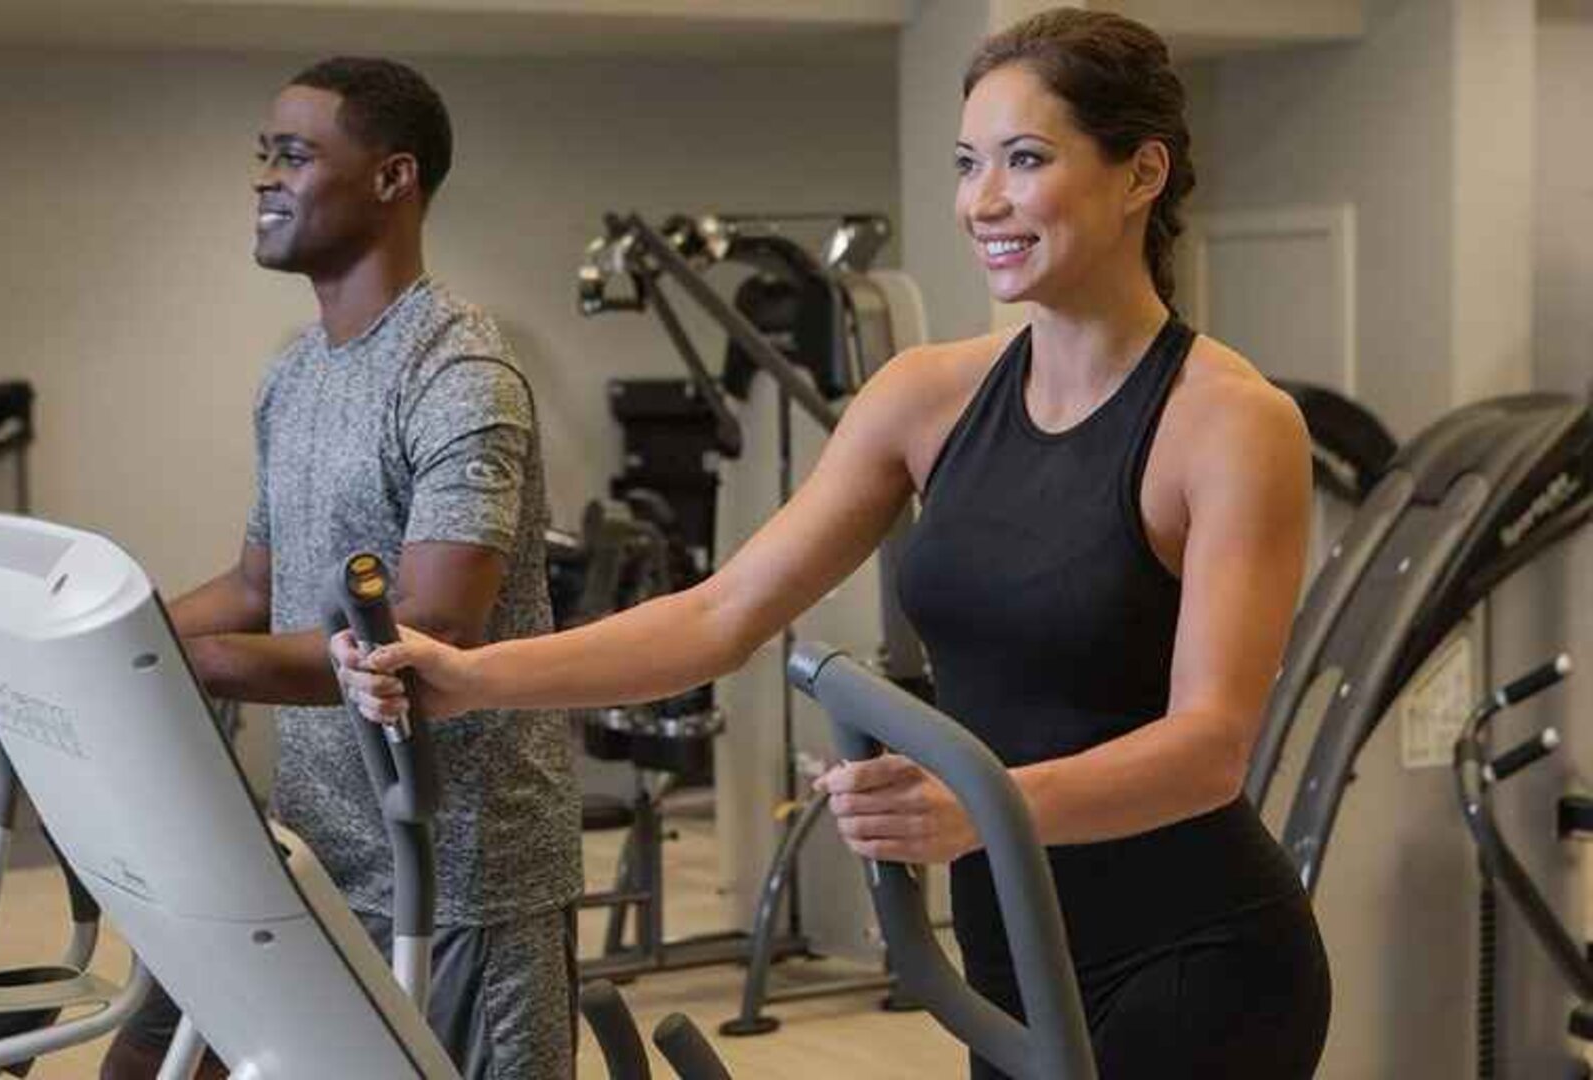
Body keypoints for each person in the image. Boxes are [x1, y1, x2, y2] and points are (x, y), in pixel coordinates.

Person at [335, 10, 1332, 1078]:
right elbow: (722, 616)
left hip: (1196, 958)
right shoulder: (926, 399)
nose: (982, 201)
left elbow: (1209, 748)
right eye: (968, 164)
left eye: (1026, 160)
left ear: (1142, 174)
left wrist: (976, 810)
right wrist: (471, 678)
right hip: (1012, 966)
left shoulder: (1229, 423)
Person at [101, 56, 582, 1080]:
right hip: (317, 840)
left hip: (458, 866)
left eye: (294, 155)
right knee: (152, 1062)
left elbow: (432, 630)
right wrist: (106, 646)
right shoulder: (296, 371)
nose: (263, 179)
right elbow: (253, 586)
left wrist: (193, 667)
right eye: (261, 156)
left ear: (391, 178)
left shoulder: (459, 370)